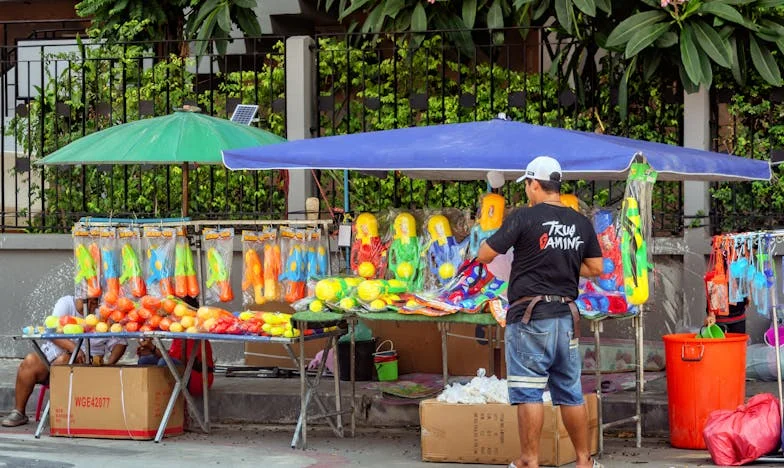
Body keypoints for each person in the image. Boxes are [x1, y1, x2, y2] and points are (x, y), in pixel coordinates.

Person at [478, 156, 604, 468]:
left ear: (535, 184)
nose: (527, 193)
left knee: (529, 391)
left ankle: (529, 461)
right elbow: (596, 268)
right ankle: (583, 460)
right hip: (565, 319)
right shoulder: (580, 222)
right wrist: (563, 259)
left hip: (530, 318)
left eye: (528, 187)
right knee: (570, 392)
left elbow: (485, 253)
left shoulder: (524, 218)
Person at [2, 295, 127, 427]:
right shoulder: (66, 303)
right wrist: (75, 349)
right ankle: (19, 412)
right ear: (88, 300)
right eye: (95, 302)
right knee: (30, 361)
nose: (97, 306)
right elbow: (52, 331)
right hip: (51, 357)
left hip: (84, 364)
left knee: (64, 361)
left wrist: (109, 363)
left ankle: (59, 410)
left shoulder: (106, 312)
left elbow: (120, 342)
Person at [136, 296, 214, 397]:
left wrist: (153, 348)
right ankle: (149, 395)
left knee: (163, 363)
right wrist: (152, 351)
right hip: (183, 369)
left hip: (197, 379)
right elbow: (173, 355)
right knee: (145, 360)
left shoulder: (192, 331)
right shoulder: (179, 328)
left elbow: (179, 361)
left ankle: (164, 395)